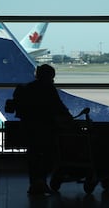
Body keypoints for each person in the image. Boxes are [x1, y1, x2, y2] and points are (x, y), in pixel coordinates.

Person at [9, 64, 73, 195]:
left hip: (29, 129)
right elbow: (58, 107)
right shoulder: (48, 89)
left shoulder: (26, 88)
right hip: (46, 130)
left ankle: (35, 183)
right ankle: (41, 182)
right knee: (49, 156)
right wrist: (69, 119)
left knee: (33, 158)